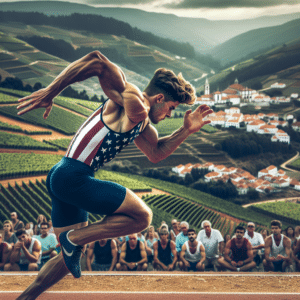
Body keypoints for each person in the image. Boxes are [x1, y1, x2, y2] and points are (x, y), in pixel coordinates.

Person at [16, 50, 212, 299]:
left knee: (68, 257)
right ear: (160, 98)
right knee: (142, 217)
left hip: (63, 176)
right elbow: (97, 60)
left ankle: (27, 296)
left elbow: (156, 152)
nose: (170, 114)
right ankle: (74, 239)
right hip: (74, 177)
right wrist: (50, 92)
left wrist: (186, 131)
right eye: (171, 108)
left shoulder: (141, 122)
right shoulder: (136, 103)